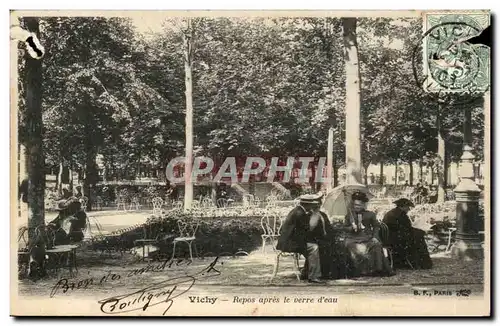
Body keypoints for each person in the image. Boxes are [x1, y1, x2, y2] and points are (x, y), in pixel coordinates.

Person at [276, 193, 326, 283]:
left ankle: (306, 272)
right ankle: (314, 276)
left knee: (313, 245)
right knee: (314, 248)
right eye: (312, 205)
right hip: (290, 243)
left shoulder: (297, 211)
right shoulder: (300, 214)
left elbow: (302, 232)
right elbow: (307, 230)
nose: (313, 207)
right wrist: (315, 217)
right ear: (308, 205)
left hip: (289, 241)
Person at [343, 192, 394, 277]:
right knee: (352, 247)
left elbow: (376, 226)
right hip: (353, 238)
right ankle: (360, 271)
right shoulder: (349, 215)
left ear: (363, 205)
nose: (356, 207)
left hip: (367, 238)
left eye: (359, 205)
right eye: (355, 205)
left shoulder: (370, 214)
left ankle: (378, 269)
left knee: (377, 245)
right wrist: (352, 228)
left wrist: (375, 237)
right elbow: (344, 227)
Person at [382, 198, 433, 269]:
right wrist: (421, 231)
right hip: (396, 240)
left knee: (418, 235)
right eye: (407, 207)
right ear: (402, 206)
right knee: (419, 237)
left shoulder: (391, 212)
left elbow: (403, 228)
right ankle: (423, 263)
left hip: (389, 238)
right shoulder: (401, 214)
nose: (408, 209)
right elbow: (407, 229)